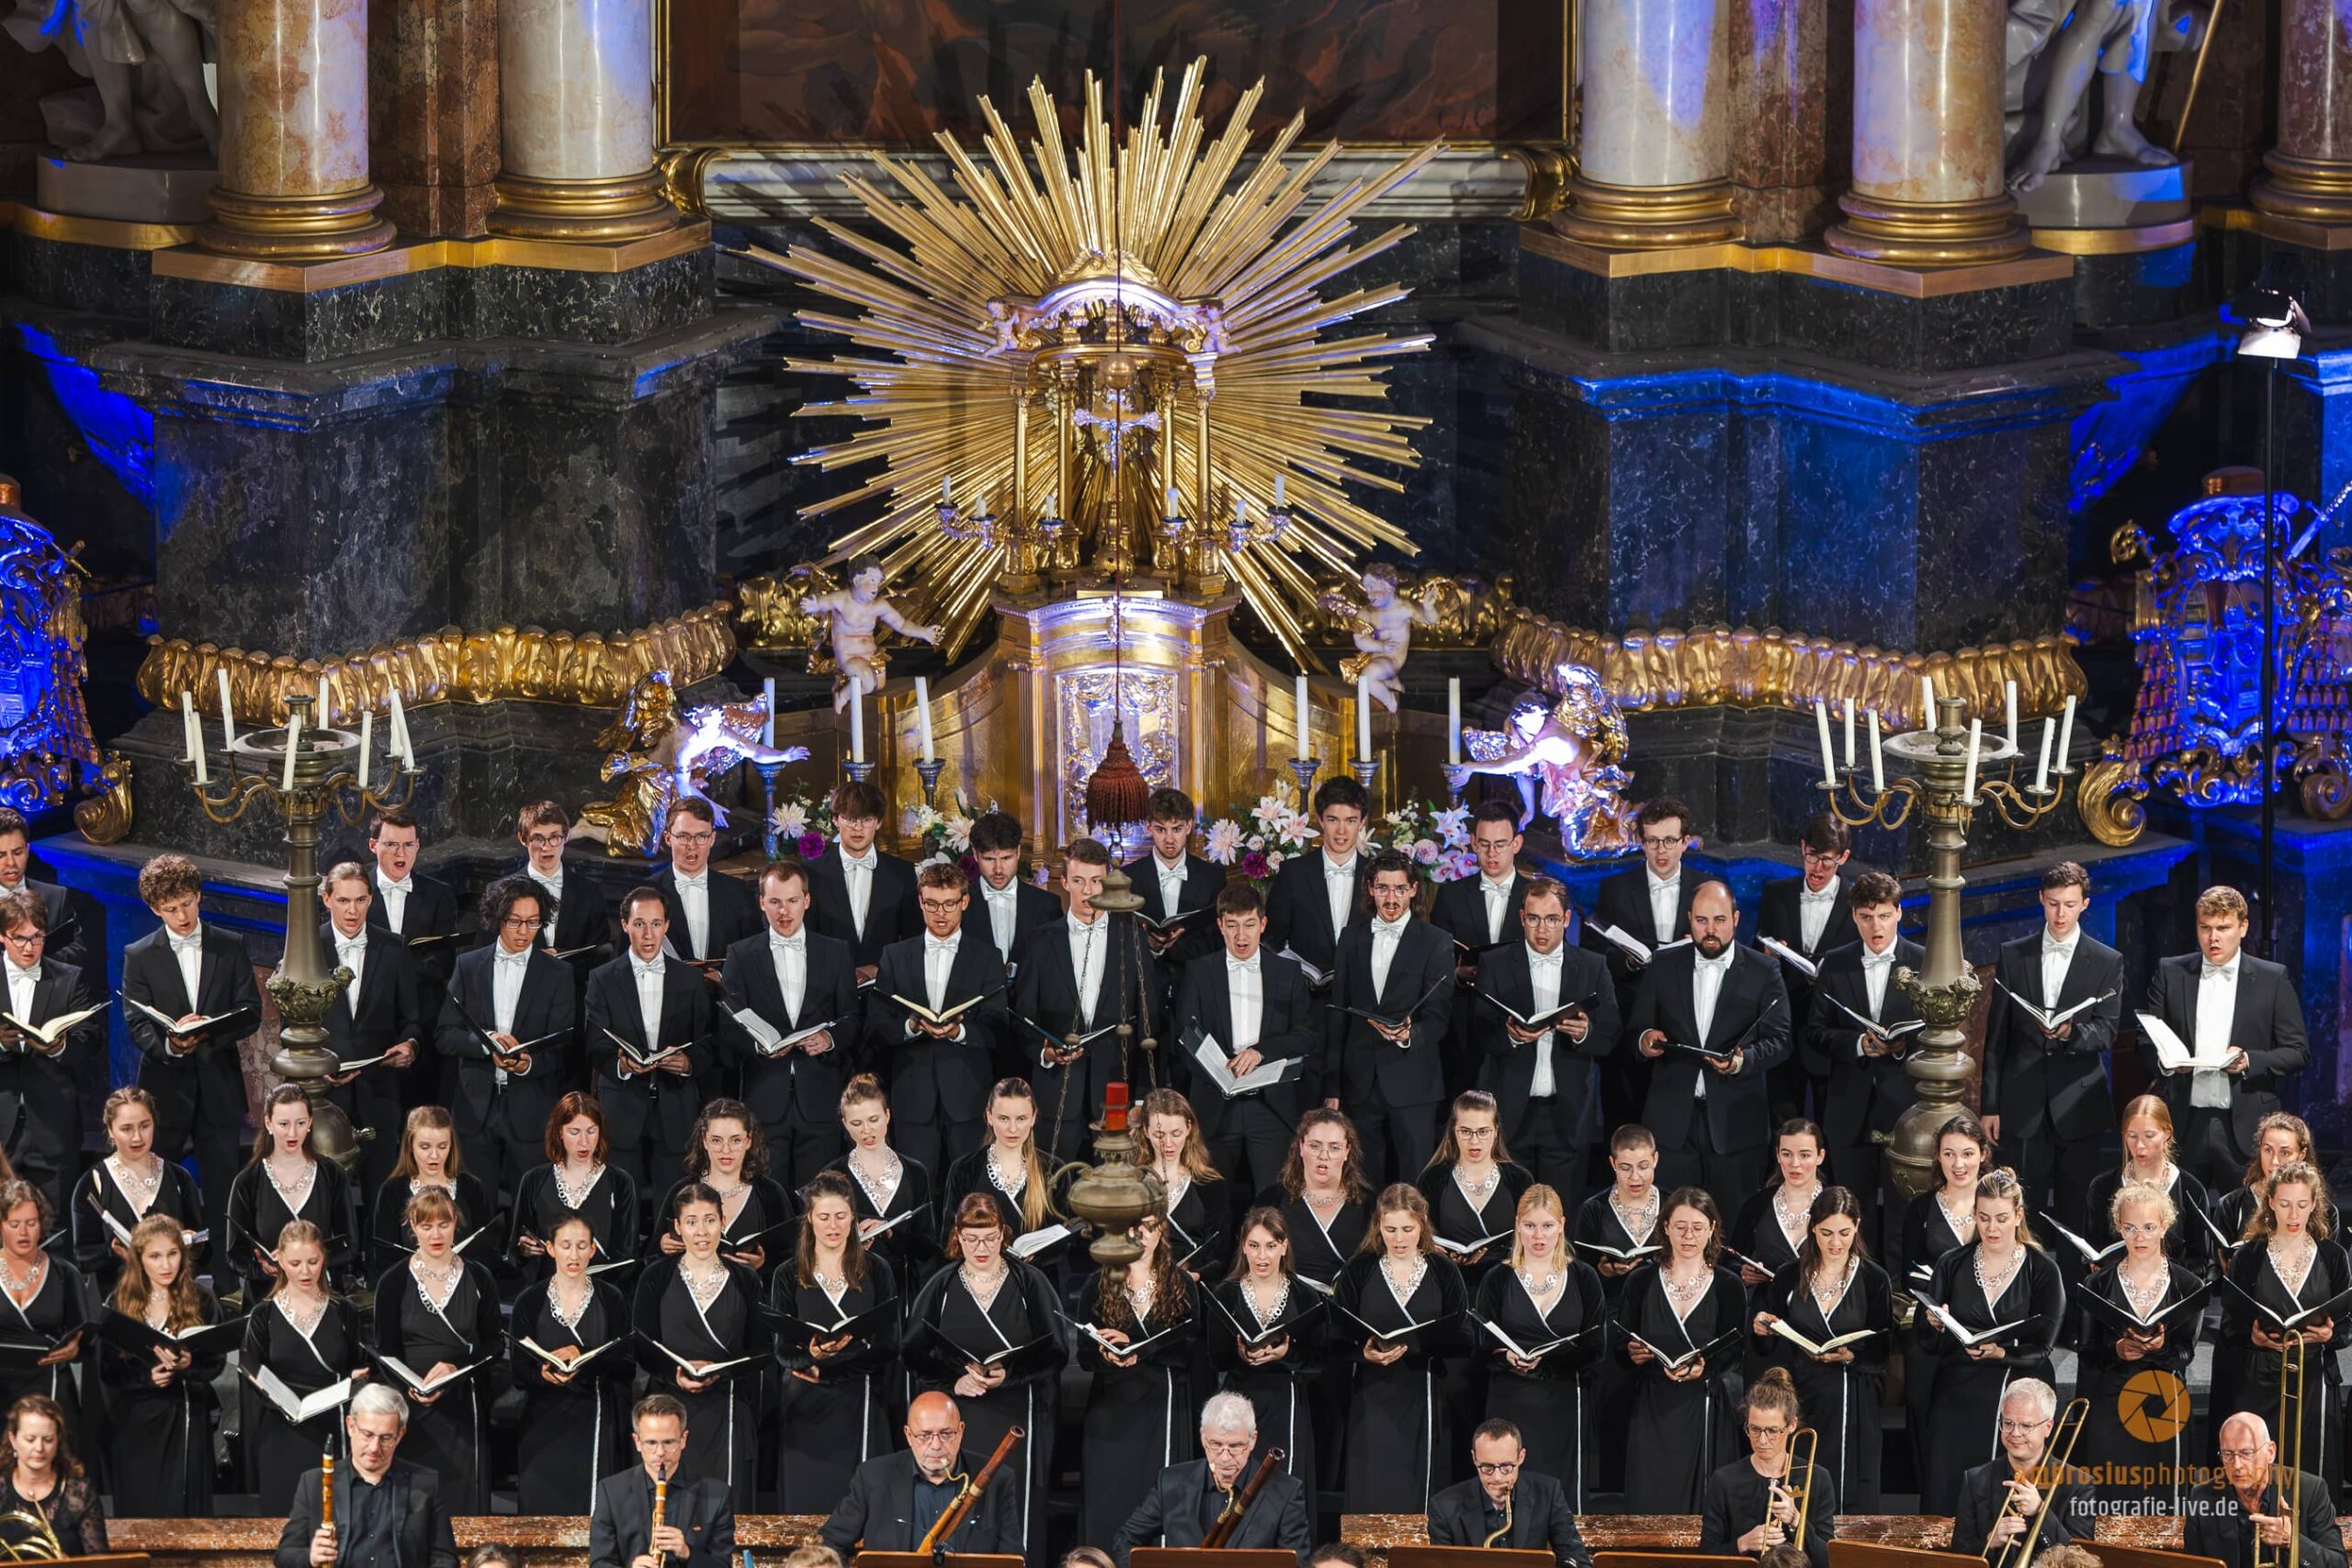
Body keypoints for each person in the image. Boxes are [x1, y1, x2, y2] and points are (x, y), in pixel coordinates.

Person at [903, 1194, 1067, 1567]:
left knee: (1013, 1505)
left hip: (1015, 1415)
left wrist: (1011, 1375)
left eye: (990, 1238)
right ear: (957, 1236)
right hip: (960, 1417)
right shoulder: (942, 1284)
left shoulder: (1029, 1281)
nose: (981, 1248)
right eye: (972, 1239)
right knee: (961, 1507)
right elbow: (912, 1351)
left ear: (1003, 1235)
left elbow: (1057, 1350)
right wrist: (954, 1381)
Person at [1980, 863, 2124, 1239]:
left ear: (2085, 904)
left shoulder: (2107, 960)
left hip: (2078, 1106)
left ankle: (2073, 1281)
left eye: (2070, 905)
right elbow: (1996, 1038)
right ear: (2041, 899)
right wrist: (1989, 1106)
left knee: (2077, 1217)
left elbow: (2107, 1031)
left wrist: (2070, 1033)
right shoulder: (2014, 955)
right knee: (2023, 1213)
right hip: (2022, 1106)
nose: (2061, 914)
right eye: (2054, 903)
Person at [1629, 880, 1792, 1213]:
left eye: (1719, 920)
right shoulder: (1664, 963)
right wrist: (1645, 1040)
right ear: (1689, 919)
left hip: (1735, 1126)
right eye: (1702, 921)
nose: (1711, 930)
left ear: (1736, 919)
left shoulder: (1764, 970)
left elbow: (1781, 1040)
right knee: (1673, 1221)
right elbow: (1637, 1027)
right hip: (1672, 1124)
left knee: (1734, 1223)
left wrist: (1743, 1061)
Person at [123, 851, 261, 1240]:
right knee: (159, 1190)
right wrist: (169, 1046)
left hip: (218, 1086)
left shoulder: (229, 945)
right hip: (164, 1092)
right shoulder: (139, 955)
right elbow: (136, 1022)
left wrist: (209, 1031)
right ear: (155, 909)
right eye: (171, 909)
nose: (182, 915)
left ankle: (226, 1270)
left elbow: (250, 1012)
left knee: (223, 1190)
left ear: (198, 896)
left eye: (187, 903)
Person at [2139, 886, 2312, 1191]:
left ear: (2243, 927)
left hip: (2245, 1126)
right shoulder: (2171, 972)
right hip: (2184, 1123)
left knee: (2246, 1215)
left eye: (2223, 928)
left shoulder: (2272, 978)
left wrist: (2249, 1060)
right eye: (2205, 928)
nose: (2213, 938)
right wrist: (2167, 1063)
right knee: (2177, 1215)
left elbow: (2298, 1051)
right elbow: (2144, 1039)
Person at [1918, 1168, 2067, 1515]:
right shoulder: (1951, 1264)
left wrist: (2001, 1352)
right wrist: (1933, 1325)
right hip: (1957, 1391)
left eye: (2001, 1218)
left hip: (2014, 1389)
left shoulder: (2042, 1270)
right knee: (1948, 1491)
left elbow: (2043, 1348)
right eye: (1984, 1218)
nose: (1992, 1228)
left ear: (2018, 1215)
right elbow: (1925, 1343)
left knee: (2004, 1499)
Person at [1749, 1187, 1893, 1512]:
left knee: (1848, 1490)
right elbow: (1770, 1344)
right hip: (1801, 1393)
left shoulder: (1874, 1279)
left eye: (1844, 1233)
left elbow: (1883, 1349)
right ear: (1813, 1228)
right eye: (1826, 1233)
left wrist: (1852, 1355)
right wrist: (1762, 1328)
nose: (1835, 1242)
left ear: (1857, 1226)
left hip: (1851, 1397)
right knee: (1800, 1486)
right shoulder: (1789, 1275)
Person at [1175, 882, 1317, 1208]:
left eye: (1249, 925)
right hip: (1214, 1105)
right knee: (1212, 1203)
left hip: (1269, 1107)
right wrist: (1219, 1072)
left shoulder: (1287, 971)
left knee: (1273, 1203)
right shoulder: (1199, 971)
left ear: (1263, 924)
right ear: (1220, 925)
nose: (1241, 936)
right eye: (1233, 926)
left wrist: (1260, 1053)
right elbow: (1185, 1038)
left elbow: (1305, 1034)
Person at [1471, 876, 1616, 1195]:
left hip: (1567, 1114)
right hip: (1509, 1110)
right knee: (1510, 1206)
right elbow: (1479, 1033)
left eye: (1551, 919)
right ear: (1522, 917)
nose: (1541, 929)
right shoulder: (1494, 964)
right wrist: (1510, 1036)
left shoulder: (1593, 966)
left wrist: (1585, 1034)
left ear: (1566, 919)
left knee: (1562, 1208)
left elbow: (1610, 1036)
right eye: (1534, 919)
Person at [436, 875, 576, 1205]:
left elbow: (564, 1046)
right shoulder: (468, 965)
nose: (524, 931)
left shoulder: (558, 973)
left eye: (533, 922)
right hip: (475, 1111)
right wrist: (485, 1044)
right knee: (473, 1209)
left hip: (531, 1111)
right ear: (497, 918)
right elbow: (445, 1034)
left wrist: (528, 1064)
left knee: (532, 1211)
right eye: (515, 922)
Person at [1801, 870, 1921, 1252]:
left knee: (1905, 1215)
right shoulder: (1835, 964)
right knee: (1851, 1214)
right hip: (1848, 1110)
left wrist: (1900, 1047)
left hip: (1904, 1112)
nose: (1876, 926)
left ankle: (1900, 1286)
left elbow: (1938, 1034)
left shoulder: (1924, 962)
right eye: (1867, 917)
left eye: (1884, 915)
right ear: (1854, 916)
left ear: (1899, 913)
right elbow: (1815, 1031)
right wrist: (1857, 1044)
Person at [1334, 1182, 1468, 1513]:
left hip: (1423, 1391)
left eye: (1407, 1229)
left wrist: (1422, 1343)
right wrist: (1363, 1353)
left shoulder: (1443, 1271)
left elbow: (1464, 1337)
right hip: (1373, 1396)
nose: (1398, 1239)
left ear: (1422, 1224)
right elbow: (1335, 1336)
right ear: (1378, 1226)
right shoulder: (1359, 1269)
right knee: (1374, 1486)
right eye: (1390, 1229)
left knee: (1418, 1489)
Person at [722, 858, 856, 1190]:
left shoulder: (835, 952)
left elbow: (853, 1018)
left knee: (820, 1196)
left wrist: (829, 1039)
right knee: (768, 1196)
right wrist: (758, 1046)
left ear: (806, 901)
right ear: (761, 903)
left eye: (792, 901)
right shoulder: (740, 955)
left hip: (820, 1097)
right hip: (765, 1098)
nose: (784, 912)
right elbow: (728, 1027)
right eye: (775, 902)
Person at [871, 860, 1012, 1175]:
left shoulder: (988, 957)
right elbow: (876, 1026)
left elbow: (998, 1026)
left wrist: (960, 1032)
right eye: (932, 904)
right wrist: (909, 1027)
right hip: (912, 1093)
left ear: (965, 902)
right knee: (916, 1187)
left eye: (949, 904)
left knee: (970, 1184)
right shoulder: (895, 955)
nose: (941, 913)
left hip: (968, 1094)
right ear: (920, 902)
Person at [631, 1182, 769, 1500]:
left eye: (710, 1220)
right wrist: (674, 1374)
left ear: (723, 1222)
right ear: (678, 1227)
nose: (702, 1232)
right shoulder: (655, 1276)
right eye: (691, 1222)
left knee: (726, 1509)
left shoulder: (746, 1279)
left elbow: (762, 1349)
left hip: (728, 1411)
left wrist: (722, 1371)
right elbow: (642, 1345)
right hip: (669, 1413)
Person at [2214, 1159, 2346, 1488]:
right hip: (2260, 1378)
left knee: (2309, 1474)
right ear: (2271, 1202)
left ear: (2314, 1204)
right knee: (2260, 1475)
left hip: (2313, 1379)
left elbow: (2347, 1323)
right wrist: (2255, 1338)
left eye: (2302, 1204)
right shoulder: (2249, 1256)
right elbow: (2231, 1324)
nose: (2293, 1214)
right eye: (2285, 1204)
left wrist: (2330, 1335)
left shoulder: (2333, 1256)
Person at [772, 1170, 899, 1512]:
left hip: (859, 1398)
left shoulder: (877, 1270)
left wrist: (832, 1371)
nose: (833, 1226)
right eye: (824, 1217)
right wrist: (811, 1356)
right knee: (806, 1505)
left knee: (860, 1505)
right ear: (809, 1218)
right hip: (804, 1404)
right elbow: (782, 1350)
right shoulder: (787, 1273)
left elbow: (889, 1345)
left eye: (841, 1216)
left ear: (853, 1217)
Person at [371, 1187, 503, 1514]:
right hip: (410, 1408)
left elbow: (494, 1345)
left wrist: (456, 1368)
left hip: (463, 1405)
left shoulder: (479, 1277)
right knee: (414, 1507)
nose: (436, 1234)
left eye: (443, 1225)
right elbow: (385, 1352)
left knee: (463, 1505)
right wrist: (410, 1386)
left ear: (455, 1223)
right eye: (426, 1226)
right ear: (412, 1226)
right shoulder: (393, 1281)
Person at [1474, 1184, 1607, 1506]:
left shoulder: (1584, 1277)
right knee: (1512, 1495)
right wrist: (1505, 1356)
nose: (1539, 1235)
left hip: (1564, 1401)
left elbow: (1595, 1345)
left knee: (1560, 1496)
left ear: (1561, 1225)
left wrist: (1549, 1366)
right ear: (1518, 1225)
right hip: (1511, 1399)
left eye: (1547, 1225)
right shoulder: (1498, 1278)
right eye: (1530, 1225)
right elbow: (1482, 1342)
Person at [2073, 1180, 2201, 1512]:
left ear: (2164, 1226)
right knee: (2111, 1498)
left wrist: (2159, 1348)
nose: (2139, 1237)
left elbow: (2185, 1353)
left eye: (2148, 1228)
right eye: (2130, 1228)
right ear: (2119, 1227)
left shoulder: (2188, 1285)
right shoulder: (2097, 1284)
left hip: (2164, 1402)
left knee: (2162, 1502)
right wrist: (2116, 1350)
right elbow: (2086, 1352)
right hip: (2111, 1399)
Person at [1328, 850, 1455, 1181]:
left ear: (1413, 889)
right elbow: (1339, 1015)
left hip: (1414, 1082)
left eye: (1399, 889)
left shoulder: (1436, 941)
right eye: (1383, 888)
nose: (1391, 898)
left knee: (1415, 1181)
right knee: (1362, 1182)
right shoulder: (1351, 938)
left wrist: (1410, 1034)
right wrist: (1333, 1086)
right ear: (1370, 889)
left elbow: (1439, 1017)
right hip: (1360, 1081)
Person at [1618, 1186, 1745, 1512]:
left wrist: (1706, 1366)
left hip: (1704, 1405)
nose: (1689, 1236)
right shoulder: (1641, 1281)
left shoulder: (1728, 1284)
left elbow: (1734, 1349)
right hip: (1652, 1406)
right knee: (1650, 1499)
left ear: (1712, 1228)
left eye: (1698, 1228)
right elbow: (1621, 1343)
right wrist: (1631, 1353)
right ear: (1666, 1227)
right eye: (1681, 1227)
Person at [1077, 1212, 1201, 1544]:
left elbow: (1192, 1349)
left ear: (1162, 1230)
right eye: (1134, 1227)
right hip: (1112, 1411)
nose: (1141, 1235)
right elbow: (1084, 1355)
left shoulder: (1181, 1283)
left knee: (1158, 1507)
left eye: (1149, 1227)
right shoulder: (1098, 1283)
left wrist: (1140, 1347)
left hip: (1162, 1406)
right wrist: (1106, 1353)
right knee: (1110, 1504)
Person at [1014, 837, 1140, 1160]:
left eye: (1096, 881)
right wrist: (1044, 1051)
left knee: (1114, 1186)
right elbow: (1022, 1018)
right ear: (1065, 882)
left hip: (1115, 1093)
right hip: (1056, 1092)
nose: (1088, 891)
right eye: (1079, 881)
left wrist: (1141, 1099)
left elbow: (1149, 1019)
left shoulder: (1132, 938)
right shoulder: (1039, 942)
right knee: (1054, 1183)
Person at [586, 887, 716, 1197]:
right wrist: (621, 1064)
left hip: (676, 1109)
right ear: (624, 925)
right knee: (621, 1205)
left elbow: (708, 1042)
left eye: (656, 924)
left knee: (675, 1206)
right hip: (622, 1108)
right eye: (639, 924)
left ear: (666, 925)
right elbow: (594, 1044)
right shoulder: (602, 978)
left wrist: (688, 1063)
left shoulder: (690, 979)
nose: (648, 934)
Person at [1582, 796, 1700, 1132]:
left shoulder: (1705, 889)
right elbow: (1593, 954)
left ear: (1685, 842)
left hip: (1687, 1022)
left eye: (1669, 841)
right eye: (1652, 841)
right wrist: (1628, 962)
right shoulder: (1615, 889)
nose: (1661, 850)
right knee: (1624, 1117)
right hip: (1628, 1021)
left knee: (1680, 1123)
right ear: (1641, 842)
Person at [316, 861, 428, 1193]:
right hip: (325, 1096)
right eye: (343, 901)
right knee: (326, 1195)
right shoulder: (306, 946)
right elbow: (290, 1023)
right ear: (326, 899)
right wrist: (316, 1066)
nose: (353, 911)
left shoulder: (394, 947)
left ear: (370, 899)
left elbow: (411, 1020)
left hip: (379, 1094)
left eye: (360, 900)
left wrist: (409, 1046)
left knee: (381, 1195)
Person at [509, 1212, 632, 1514]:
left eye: (581, 1246)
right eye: (565, 1246)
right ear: (550, 1248)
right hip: (543, 1424)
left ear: (593, 1250)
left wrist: (584, 1356)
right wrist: (542, 1374)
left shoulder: (611, 1298)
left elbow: (626, 1365)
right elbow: (518, 1372)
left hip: (596, 1420)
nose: (574, 1255)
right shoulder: (529, 1300)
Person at [242, 1220, 367, 1513]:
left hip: (331, 1429)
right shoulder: (263, 1315)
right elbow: (252, 1375)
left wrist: (358, 1379)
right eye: (295, 1263)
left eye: (313, 1262)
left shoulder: (344, 1311)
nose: (305, 1271)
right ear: (280, 1261)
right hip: (280, 1432)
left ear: (324, 1258)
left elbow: (359, 1365)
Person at [100, 1212, 220, 1515]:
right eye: (155, 1256)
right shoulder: (119, 1302)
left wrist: (188, 1364)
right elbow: (108, 1370)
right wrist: (147, 1378)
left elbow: (216, 1362)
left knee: (184, 1511)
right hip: (136, 1422)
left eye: (172, 1254)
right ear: (140, 1259)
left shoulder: (202, 1299)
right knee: (141, 1509)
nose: (166, 1265)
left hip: (185, 1416)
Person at [1898, 1111, 1990, 1487]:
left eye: (1967, 1153)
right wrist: (1935, 1306)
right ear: (1937, 1156)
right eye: (1949, 1154)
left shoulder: (1997, 1206)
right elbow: (1907, 1271)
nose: (1958, 1164)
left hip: (1984, 1330)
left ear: (1983, 1154)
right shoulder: (1921, 1208)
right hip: (1934, 1329)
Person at [1112, 1392, 1313, 1562]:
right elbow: (1125, 1539)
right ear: (1202, 1436)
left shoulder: (1286, 1492)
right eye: (1215, 1445)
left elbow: (1297, 1564)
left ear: (1253, 1440)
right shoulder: (1171, 1482)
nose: (1225, 1458)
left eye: (1235, 1446)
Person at [275, 1385, 460, 1568]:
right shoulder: (313, 1482)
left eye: (385, 1438)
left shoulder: (425, 1483)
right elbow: (285, 1555)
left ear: (400, 1434)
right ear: (350, 1425)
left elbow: (446, 1559)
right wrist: (311, 1557)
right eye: (367, 1434)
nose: (374, 1448)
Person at [1207, 1206, 1326, 1487]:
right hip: (1239, 1402)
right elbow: (1215, 1357)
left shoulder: (1305, 1297)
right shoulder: (1225, 1294)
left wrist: (1287, 1354)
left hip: (1286, 1400)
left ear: (1284, 1247)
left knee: (1283, 1484)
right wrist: (1240, 1354)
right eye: (1254, 1246)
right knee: (1240, 1483)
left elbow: (1318, 1359)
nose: (1262, 1256)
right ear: (1243, 1247)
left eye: (1271, 1246)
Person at [0, 889, 99, 1221]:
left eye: (37, 937)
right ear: (2, 936)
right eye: (19, 938)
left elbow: (90, 1038)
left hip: (53, 1128)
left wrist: (59, 1047)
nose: (29, 947)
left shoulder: (68, 978)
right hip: (2, 1127)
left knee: (56, 1227)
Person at [820, 1391, 1013, 1555]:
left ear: (961, 1431)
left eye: (946, 1434)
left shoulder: (998, 1479)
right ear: (908, 1435)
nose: (936, 1446)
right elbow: (830, 1545)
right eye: (924, 1436)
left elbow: (1013, 1558)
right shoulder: (873, 1476)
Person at [1430, 801, 1533, 1100]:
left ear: (1516, 843)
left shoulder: (1537, 897)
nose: (1491, 853)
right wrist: (1458, 973)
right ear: (1473, 842)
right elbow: (1435, 961)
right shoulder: (1451, 895)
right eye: (1484, 844)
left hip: (1520, 1017)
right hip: (1465, 1024)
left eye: (1500, 844)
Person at [1754, 815, 1852, 1122]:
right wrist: (1768, 954)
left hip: (1831, 1034)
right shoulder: (1776, 893)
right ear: (1801, 848)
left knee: (1831, 1125)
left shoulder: (1856, 903)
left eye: (1827, 861)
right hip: (1785, 1031)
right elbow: (1756, 951)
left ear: (1843, 858)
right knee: (1783, 1123)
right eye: (1812, 856)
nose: (1818, 869)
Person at [1261, 776, 1375, 1040]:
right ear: (1321, 820)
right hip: (1306, 1008)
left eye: (1350, 821)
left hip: (1364, 1008)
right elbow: (1271, 941)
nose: (1341, 831)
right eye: (1333, 820)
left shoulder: (1378, 875)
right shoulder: (1293, 873)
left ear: (1362, 822)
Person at [227, 1085, 357, 1308]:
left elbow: (349, 1245)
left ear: (310, 1122)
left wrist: (312, 1262)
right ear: (268, 1124)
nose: (292, 1134)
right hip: (266, 1300)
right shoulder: (247, 1181)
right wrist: (263, 1269)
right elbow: (235, 1254)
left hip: (323, 1296)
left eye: (300, 1123)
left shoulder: (332, 1174)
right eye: (284, 1124)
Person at [1699, 1367, 1838, 1568]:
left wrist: (1796, 1521)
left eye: (1772, 1431)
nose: (1762, 1440)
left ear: (1791, 1425)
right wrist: (1742, 1543)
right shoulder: (1724, 1480)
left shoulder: (1818, 1478)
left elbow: (1828, 1560)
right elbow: (1706, 1558)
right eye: (1754, 1429)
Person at [70, 1086, 202, 1295]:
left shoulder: (179, 1178)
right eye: (127, 1129)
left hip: (174, 1298)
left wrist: (190, 1244)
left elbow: (201, 1248)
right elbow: (83, 1256)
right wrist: (114, 1252)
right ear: (111, 1130)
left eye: (144, 1126)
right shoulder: (93, 1183)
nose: (137, 1137)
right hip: (118, 1298)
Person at [1949, 1379, 2094, 1561]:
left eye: (2026, 1425)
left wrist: (2040, 1511)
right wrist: (1989, 1542)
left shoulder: (2079, 1484)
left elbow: (2083, 1559)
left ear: (2048, 1427)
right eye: (2008, 1423)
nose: (2015, 1433)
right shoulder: (1975, 1479)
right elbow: (1958, 1557)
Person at [589, 1394, 737, 1568]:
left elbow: (723, 1565)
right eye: (651, 1443)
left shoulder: (717, 1494)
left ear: (683, 1439)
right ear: (637, 1442)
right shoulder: (611, 1491)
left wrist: (687, 1553)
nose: (660, 1452)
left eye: (668, 1442)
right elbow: (599, 1563)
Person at [1126, 787, 1228, 1036]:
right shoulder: (1128, 878)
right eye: (1161, 830)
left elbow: (1218, 938)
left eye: (1177, 829)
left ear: (1189, 826)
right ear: (1148, 827)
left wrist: (1173, 947)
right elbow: (1118, 939)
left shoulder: (1212, 877)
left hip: (1196, 990)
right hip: (1144, 992)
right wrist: (1150, 945)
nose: (1169, 839)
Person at [2188, 1412, 2348, 1568]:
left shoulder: (2309, 1490)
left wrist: (2292, 1541)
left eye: (2246, 1453)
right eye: (2228, 1454)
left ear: (2270, 1452)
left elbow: (2338, 1563)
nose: (2236, 1465)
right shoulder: (2202, 1497)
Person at [1426, 1417, 1590, 1568]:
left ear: (1521, 1457)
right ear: (1474, 1458)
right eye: (1487, 1467)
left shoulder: (1548, 1492)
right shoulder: (1444, 1507)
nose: (1497, 1478)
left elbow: (1577, 1559)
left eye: (1506, 1467)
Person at [654, 1100, 793, 1277]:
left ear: (748, 1141)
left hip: (753, 1291)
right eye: (716, 1140)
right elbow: (652, 1259)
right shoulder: (680, 1191)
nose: (726, 1150)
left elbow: (791, 1259)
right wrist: (663, 1247)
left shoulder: (770, 1193)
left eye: (735, 1140)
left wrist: (763, 1264)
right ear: (705, 1141)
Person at [511, 1094, 640, 1281]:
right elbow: (515, 1251)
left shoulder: (620, 1182)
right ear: (559, 1132)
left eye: (591, 1131)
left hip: (601, 1289)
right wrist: (524, 1250)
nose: (584, 1142)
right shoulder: (534, 1180)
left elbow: (628, 1256)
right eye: (574, 1132)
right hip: (547, 1287)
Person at [2081, 1095, 2212, 1277]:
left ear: (2167, 1134)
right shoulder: (2102, 1187)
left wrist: (2158, 1272)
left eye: (2149, 1136)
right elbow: (2091, 1250)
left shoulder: (2191, 1190)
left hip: (2173, 1289)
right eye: (2132, 1136)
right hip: (2115, 1288)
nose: (2140, 1145)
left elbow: (2200, 1261)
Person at [808, 780, 921, 983]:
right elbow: (807, 938)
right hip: (828, 986)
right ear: (835, 820)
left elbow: (913, 940)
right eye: (850, 819)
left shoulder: (902, 873)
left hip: (884, 986)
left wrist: (877, 969)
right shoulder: (811, 874)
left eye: (867, 819)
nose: (857, 828)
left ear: (879, 822)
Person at [824, 1074, 936, 1280]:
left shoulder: (915, 1172)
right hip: (851, 1281)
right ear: (845, 1124)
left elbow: (927, 1247)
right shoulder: (832, 1176)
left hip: (904, 1284)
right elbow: (817, 1244)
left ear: (887, 1115)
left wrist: (891, 1233)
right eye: (856, 1123)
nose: (867, 1130)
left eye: (873, 1120)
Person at [1417, 1089, 1532, 1280]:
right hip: (1449, 1280)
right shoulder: (1433, 1179)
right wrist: (1434, 1249)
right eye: (1465, 1131)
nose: (1474, 1141)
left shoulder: (1519, 1179)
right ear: (1453, 1132)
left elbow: (1532, 1239)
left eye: (1483, 1132)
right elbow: (1422, 1236)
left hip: (1507, 1281)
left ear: (1496, 1131)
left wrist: (1493, 1256)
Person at [941, 1078, 1064, 1252]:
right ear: (989, 1116)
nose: (1012, 1129)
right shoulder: (964, 1169)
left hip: (1036, 1269)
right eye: (1004, 1118)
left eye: (1021, 1119)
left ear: (1033, 1118)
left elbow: (1062, 1241)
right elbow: (949, 1236)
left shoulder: (1053, 1169)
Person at [369, 1106, 492, 1279]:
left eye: (442, 1146)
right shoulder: (392, 1191)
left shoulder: (471, 1187)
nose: (434, 1156)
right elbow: (385, 1257)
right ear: (410, 1146)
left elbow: (487, 1250)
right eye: (425, 1147)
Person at [650, 798, 761, 985]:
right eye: (683, 837)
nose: (692, 846)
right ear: (668, 838)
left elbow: (754, 955)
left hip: (724, 997)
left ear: (712, 839)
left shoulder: (739, 892)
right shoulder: (647, 894)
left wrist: (722, 977)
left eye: (701, 836)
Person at [0, 1185, 85, 1428]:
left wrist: (75, 1348)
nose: (23, 1232)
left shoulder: (64, 1274)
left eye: (31, 1223)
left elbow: (85, 1337)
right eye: (14, 1224)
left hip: (50, 1386)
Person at [364, 808, 460, 1006]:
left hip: (421, 1009)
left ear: (417, 846)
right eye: (392, 844)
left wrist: (399, 978)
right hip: (366, 1006)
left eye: (408, 845)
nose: (401, 853)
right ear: (373, 845)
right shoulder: (354, 893)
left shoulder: (439, 894)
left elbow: (444, 961)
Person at [1134, 1089, 1229, 1277]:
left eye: (1176, 1133)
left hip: (1191, 1285)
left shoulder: (1210, 1186)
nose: (1168, 1143)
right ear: (1145, 1130)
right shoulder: (1131, 1183)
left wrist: (1196, 1275)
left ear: (1189, 1128)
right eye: (1159, 1135)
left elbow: (1221, 1253)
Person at [515, 799, 615, 972]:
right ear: (523, 839)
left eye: (554, 837)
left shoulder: (590, 893)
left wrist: (562, 963)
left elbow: (601, 957)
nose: (546, 847)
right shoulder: (500, 892)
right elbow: (489, 956)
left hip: (574, 986)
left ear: (567, 837)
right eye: (538, 839)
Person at [1731, 1119, 1831, 1288]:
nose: (1795, 1163)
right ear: (1778, 1155)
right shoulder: (1757, 1205)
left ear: (1820, 1156)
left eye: (1804, 1155)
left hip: (1822, 1302)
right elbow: (1731, 1259)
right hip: (1767, 1302)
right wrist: (1743, 1272)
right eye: (1787, 1154)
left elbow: (1857, 1266)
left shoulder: (1836, 1205)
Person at [0, 1394, 103, 1556]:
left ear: (58, 1441)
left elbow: (100, 1561)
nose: (39, 1448)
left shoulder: (81, 1494)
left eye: (48, 1440)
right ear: (13, 1440)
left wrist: (71, 1566)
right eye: (30, 1439)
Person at [2212, 1113, 2341, 1241]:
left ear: (2301, 1155)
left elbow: (2331, 1254)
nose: (2274, 1161)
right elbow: (2220, 1253)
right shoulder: (2231, 1205)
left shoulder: (2326, 1213)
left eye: (2284, 1153)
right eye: (2268, 1150)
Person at [965, 812, 1061, 979]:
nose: (998, 869)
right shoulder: (958, 904)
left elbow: (1054, 969)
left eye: (1006, 858)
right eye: (989, 859)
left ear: (1018, 852)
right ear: (975, 855)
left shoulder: (1047, 905)